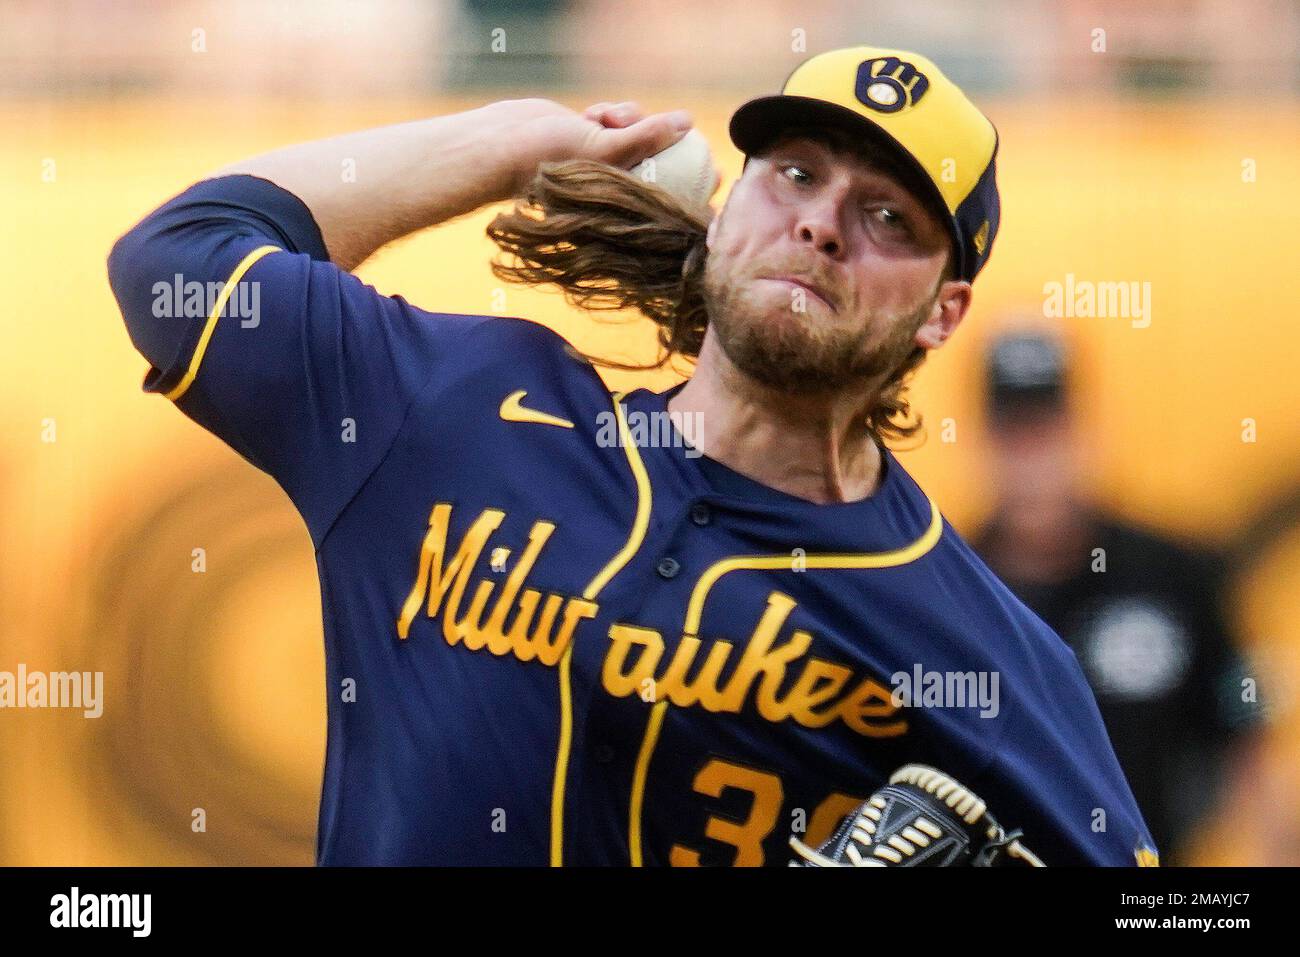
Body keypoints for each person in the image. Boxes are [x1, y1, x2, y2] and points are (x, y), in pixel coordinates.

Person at [107, 45, 1157, 866]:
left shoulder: (973, 653)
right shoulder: (453, 414)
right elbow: (174, 265)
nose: (821, 225)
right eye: (792, 174)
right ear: (725, 205)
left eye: (887, 215)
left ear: (943, 313)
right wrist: (508, 143)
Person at [970, 329, 1262, 863]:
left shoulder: (1170, 575)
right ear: (985, 442)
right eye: (1015, 433)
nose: (1033, 460)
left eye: (1048, 430)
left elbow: (1242, 729)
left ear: (1081, 432)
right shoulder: (953, 590)